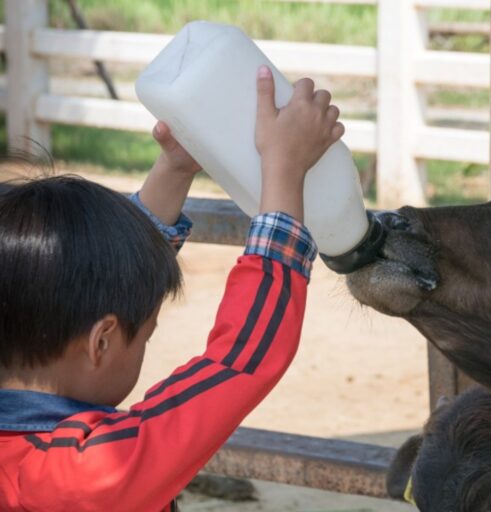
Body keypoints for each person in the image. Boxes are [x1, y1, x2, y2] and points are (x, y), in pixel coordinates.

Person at [0, 66, 343, 511]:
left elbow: (103, 273)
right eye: (145, 333)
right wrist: (285, 168)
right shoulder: (90, 476)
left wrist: (176, 168)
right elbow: (239, 362)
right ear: (101, 341)